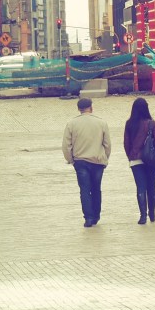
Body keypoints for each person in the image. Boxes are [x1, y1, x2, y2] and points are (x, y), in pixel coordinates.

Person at [62, 97, 111, 227]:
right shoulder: (101, 123)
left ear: (79, 109)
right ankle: (96, 216)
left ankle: (88, 218)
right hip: (98, 161)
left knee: (84, 190)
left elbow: (66, 146)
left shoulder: (71, 124)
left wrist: (71, 160)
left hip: (81, 162)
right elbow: (107, 145)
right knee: (96, 189)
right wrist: (105, 158)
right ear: (91, 107)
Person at [123, 97, 155, 225]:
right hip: (151, 159)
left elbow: (126, 143)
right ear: (146, 109)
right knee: (151, 187)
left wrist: (131, 156)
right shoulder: (152, 124)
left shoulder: (129, 124)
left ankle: (143, 216)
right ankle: (152, 214)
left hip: (135, 160)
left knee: (140, 187)